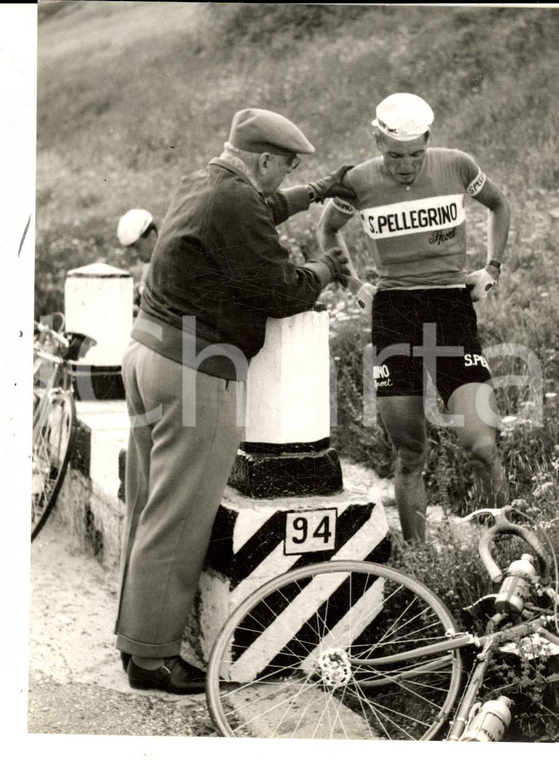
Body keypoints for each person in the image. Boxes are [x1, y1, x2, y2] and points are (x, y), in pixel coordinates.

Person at [115, 107, 353, 693]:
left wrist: (316, 192)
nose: (286, 175)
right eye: (287, 166)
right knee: (178, 517)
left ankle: (136, 643)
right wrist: (325, 267)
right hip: (194, 371)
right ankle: (153, 662)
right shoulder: (237, 198)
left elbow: (261, 210)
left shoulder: (206, 181)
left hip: (147, 355)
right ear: (264, 159)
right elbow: (277, 290)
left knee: (150, 506)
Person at [317, 92, 510, 543]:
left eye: (416, 153)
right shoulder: (358, 181)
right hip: (395, 314)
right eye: (395, 154)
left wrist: (492, 269)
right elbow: (327, 229)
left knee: (482, 446)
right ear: (376, 138)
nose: (406, 165)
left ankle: (508, 554)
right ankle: (419, 562)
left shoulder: (457, 164)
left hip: (451, 307)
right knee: (409, 452)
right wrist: (354, 286)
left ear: (429, 140)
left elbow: (500, 205)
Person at [116, 208, 159, 312]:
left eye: (136, 247)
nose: (134, 254)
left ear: (151, 236)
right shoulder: (149, 264)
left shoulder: (175, 262)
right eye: (129, 249)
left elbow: (189, 313)